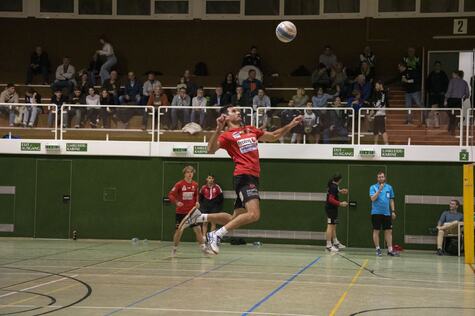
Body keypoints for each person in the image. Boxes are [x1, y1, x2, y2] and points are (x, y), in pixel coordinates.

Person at [178, 105, 303, 254]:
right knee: (254, 214)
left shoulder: (250, 129)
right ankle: (216, 235)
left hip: (253, 177)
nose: (238, 112)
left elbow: (274, 136)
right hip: (244, 176)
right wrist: (219, 128)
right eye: (233, 111)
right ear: (226, 117)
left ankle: (200, 216)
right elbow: (210, 150)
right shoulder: (226, 135)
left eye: (238, 111)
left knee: (233, 218)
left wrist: (291, 124)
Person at [168, 165, 209, 257]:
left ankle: (204, 249)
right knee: (179, 231)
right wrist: (176, 202)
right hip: (181, 212)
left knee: (198, 229)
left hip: (192, 212)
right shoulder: (179, 184)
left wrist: (197, 202)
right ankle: (174, 249)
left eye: (191, 172)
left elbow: (196, 196)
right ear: (184, 173)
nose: (190, 174)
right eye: (188, 172)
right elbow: (171, 195)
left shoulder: (195, 184)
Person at [370, 171, 398, 257]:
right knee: (376, 231)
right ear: (377, 178)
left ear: (384, 178)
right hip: (376, 213)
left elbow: (391, 200)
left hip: (387, 213)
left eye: (382, 177)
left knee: (389, 231)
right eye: (379, 177)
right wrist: (379, 190)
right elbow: (373, 199)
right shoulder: (373, 187)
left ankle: (390, 250)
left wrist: (393, 211)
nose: (381, 178)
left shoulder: (389, 187)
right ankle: (378, 249)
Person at [325, 174, 348, 252]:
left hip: (333, 209)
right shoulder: (333, 187)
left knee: (333, 226)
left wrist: (340, 191)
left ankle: (336, 243)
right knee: (330, 226)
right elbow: (330, 199)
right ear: (340, 180)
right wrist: (340, 203)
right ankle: (328, 245)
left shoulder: (333, 185)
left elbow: (334, 192)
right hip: (330, 209)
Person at [445, 70, 470, 135]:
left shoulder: (452, 81)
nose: (452, 75)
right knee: (457, 114)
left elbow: (449, 91)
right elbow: (467, 94)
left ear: (457, 74)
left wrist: (445, 100)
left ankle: (451, 129)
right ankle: (453, 128)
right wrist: (463, 98)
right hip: (459, 100)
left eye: (453, 74)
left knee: (451, 115)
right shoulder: (464, 82)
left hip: (451, 100)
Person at [426, 61, 449, 128]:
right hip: (433, 95)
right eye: (436, 65)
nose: (437, 66)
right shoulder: (431, 74)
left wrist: (444, 91)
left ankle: (440, 123)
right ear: (434, 66)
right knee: (433, 109)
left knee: (441, 109)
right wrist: (430, 91)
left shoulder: (443, 74)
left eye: (439, 65)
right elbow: (427, 84)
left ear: (440, 66)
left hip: (441, 95)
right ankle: (434, 123)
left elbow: (446, 84)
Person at [369, 81, 389, 145]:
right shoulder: (376, 94)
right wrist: (370, 114)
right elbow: (375, 106)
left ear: (380, 85)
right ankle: (375, 144)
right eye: (375, 86)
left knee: (382, 130)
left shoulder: (383, 93)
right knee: (376, 131)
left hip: (381, 114)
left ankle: (386, 144)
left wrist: (370, 114)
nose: (376, 87)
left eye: (377, 85)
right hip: (376, 115)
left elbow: (381, 104)